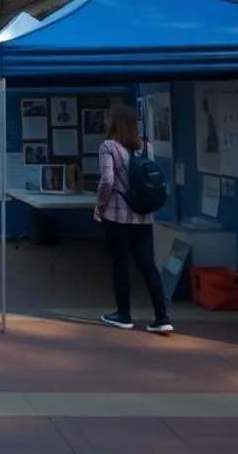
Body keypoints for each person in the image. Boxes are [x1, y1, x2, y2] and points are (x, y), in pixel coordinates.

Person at [95, 103, 172, 333]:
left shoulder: (108, 146)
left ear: (113, 122)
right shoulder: (147, 146)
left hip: (116, 214)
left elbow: (107, 180)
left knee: (120, 264)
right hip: (143, 214)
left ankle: (123, 314)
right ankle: (162, 317)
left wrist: (100, 203)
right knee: (148, 264)